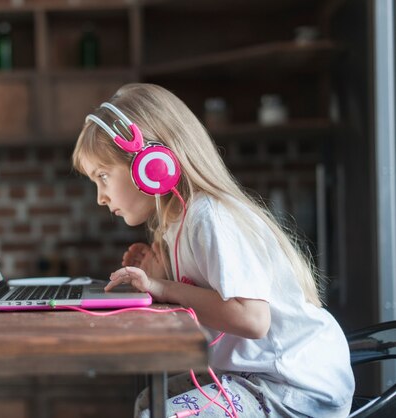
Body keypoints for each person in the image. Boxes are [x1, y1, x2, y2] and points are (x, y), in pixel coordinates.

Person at [72, 83, 354, 417]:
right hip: (256, 375)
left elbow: (251, 319)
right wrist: (159, 276)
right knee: (149, 403)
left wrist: (163, 288)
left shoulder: (210, 217)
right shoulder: (178, 223)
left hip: (293, 387)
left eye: (103, 176)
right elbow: (207, 297)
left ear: (151, 164)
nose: (100, 197)